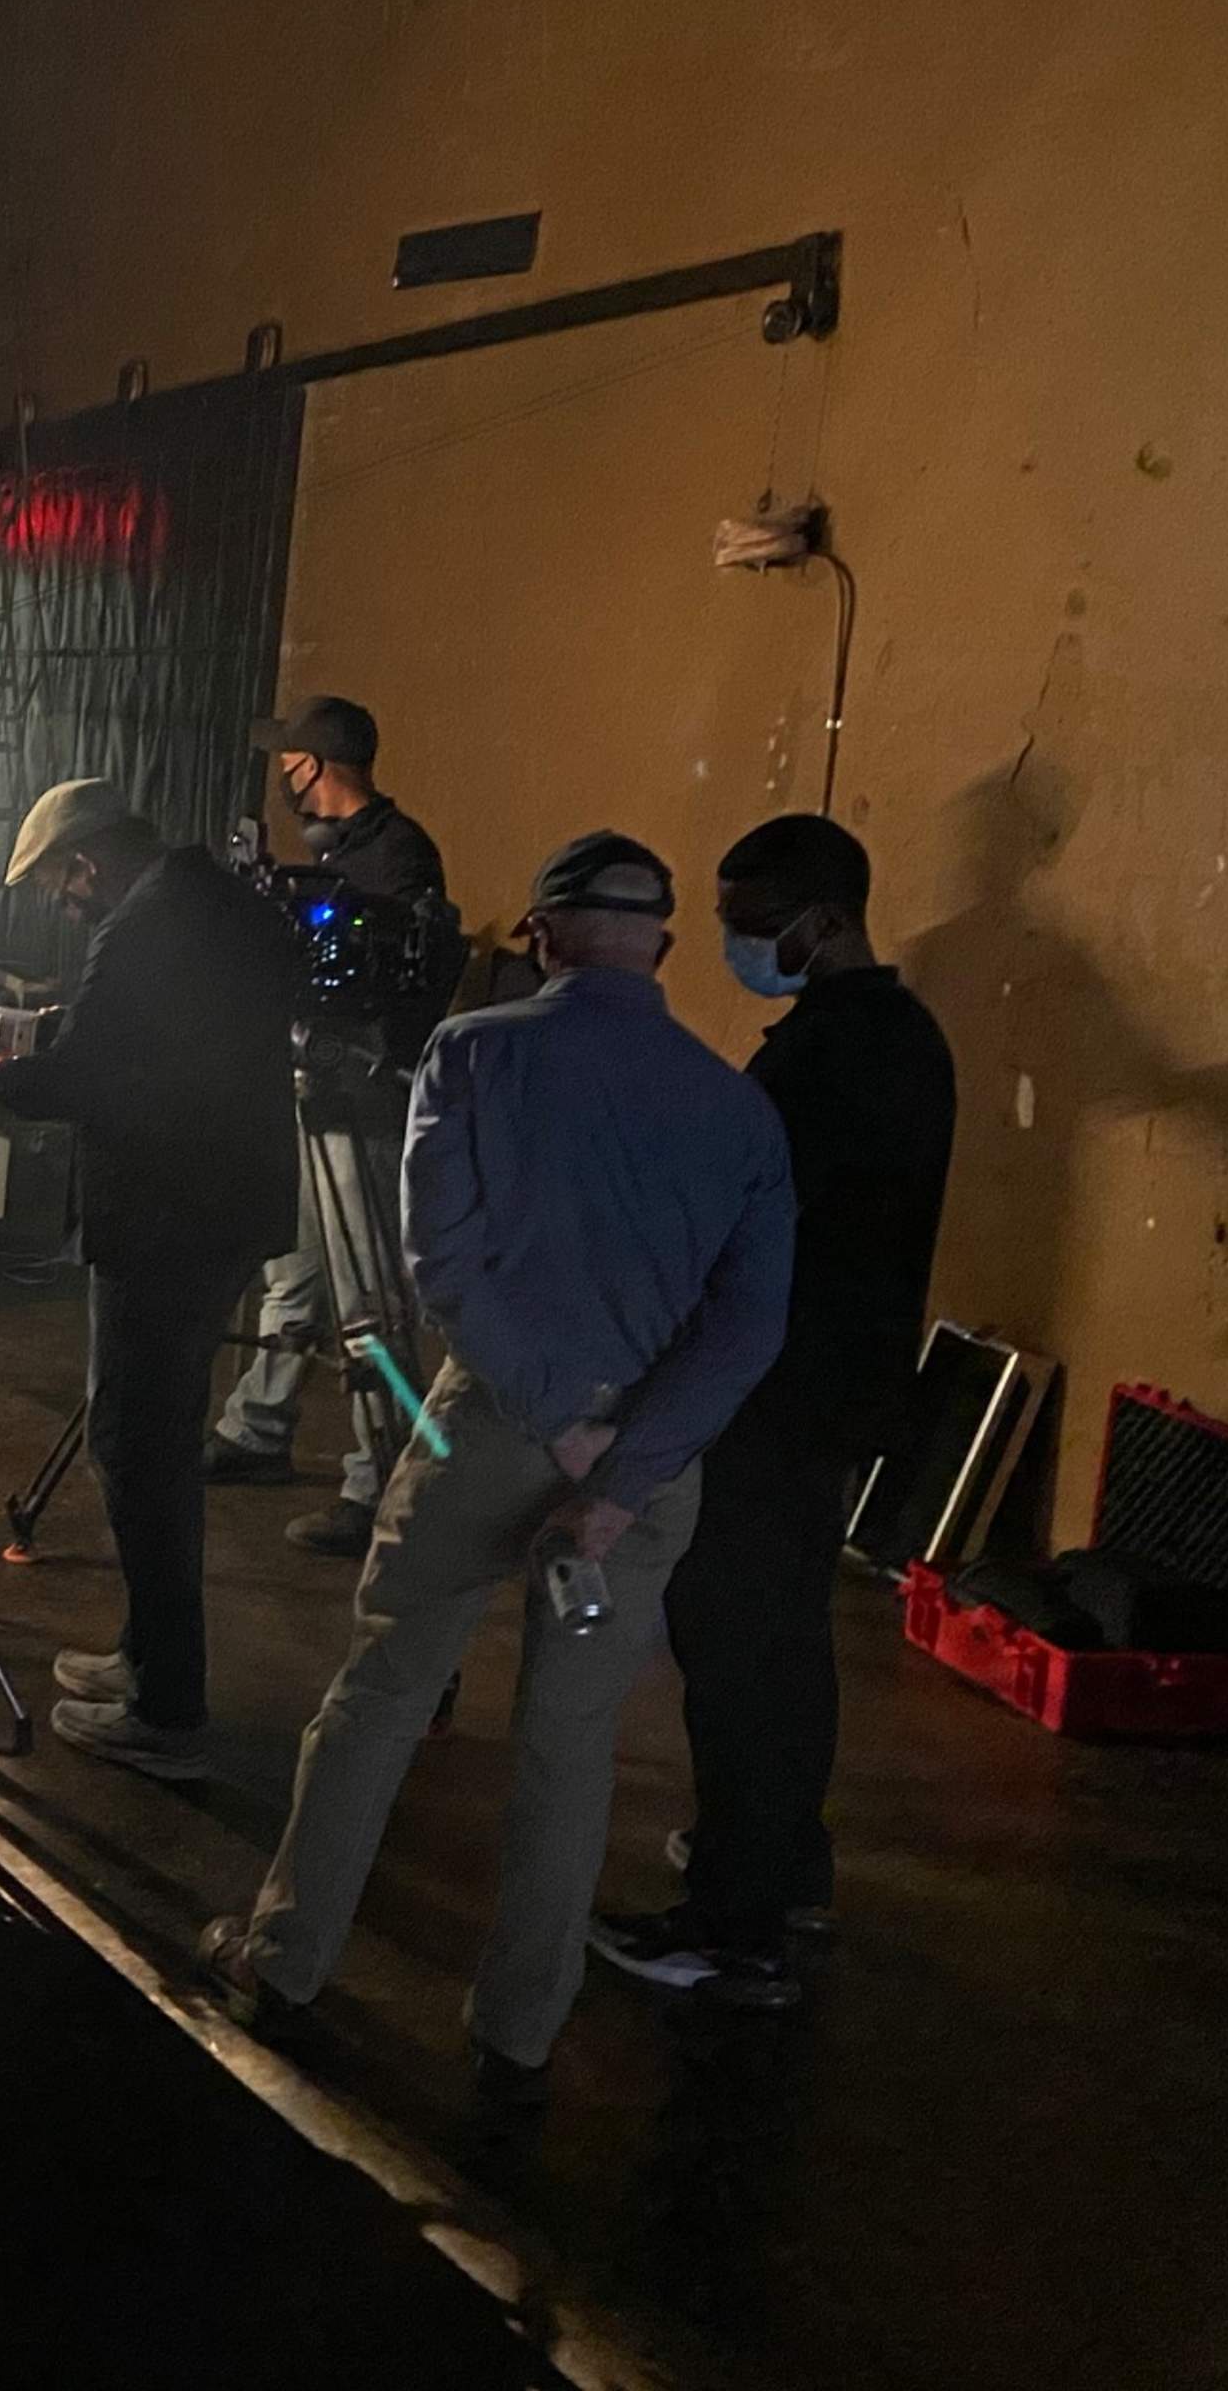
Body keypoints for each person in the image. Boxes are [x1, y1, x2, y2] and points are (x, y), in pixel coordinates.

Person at [205, 832, 792, 2097]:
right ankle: (520, 2029)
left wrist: (549, 1416)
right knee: (571, 1750)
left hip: (485, 1428)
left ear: (538, 935)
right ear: (670, 950)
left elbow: (441, 1262)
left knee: (383, 1693)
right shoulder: (737, 1108)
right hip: (642, 1467)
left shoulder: (473, 1055)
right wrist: (622, 1471)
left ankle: (285, 1954)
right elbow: (748, 1327)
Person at [591, 815, 956, 2007]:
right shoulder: (903, 1040)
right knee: (788, 1635)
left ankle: (733, 1924)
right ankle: (783, 1868)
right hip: (833, 1390)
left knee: (740, 1642)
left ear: (822, 917)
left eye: (753, 925)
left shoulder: (831, 1061)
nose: (741, 945)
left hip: (776, 1388)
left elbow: (755, 1223)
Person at [0, 781, 300, 1777]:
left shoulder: (144, 926)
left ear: (85, 862)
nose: (60, 903)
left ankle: (168, 1708)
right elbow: (163, 1048)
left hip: (164, 1225)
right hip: (222, 1216)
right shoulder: (219, 902)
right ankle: (144, 1658)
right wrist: (67, 1025)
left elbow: (83, 1084)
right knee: (150, 1439)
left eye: (56, 884)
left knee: (138, 1449)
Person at [206, 694, 460, 1558]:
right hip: (313, 1085)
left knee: (370, 1303)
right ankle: (258, 1428)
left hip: (364, 1098)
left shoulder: (397, 858)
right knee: (296, 1275)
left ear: (313, 767)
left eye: (289, 762)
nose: (282, 776)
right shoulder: (334, 854)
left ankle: (382, 1478)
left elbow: (396, 975)